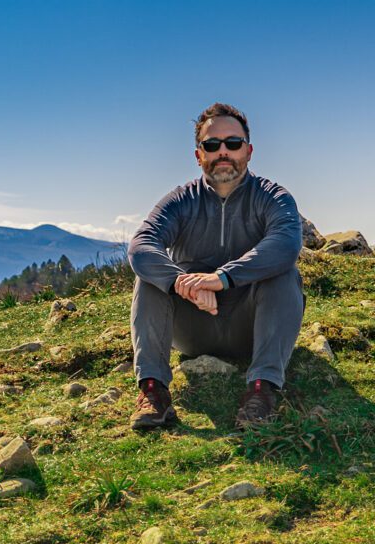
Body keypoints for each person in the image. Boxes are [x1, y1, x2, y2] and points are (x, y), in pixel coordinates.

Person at [126, 102, 304, 430]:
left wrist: (222, 278)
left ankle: (261, 392)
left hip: (251, 329)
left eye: (232, 143)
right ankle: (154, 392)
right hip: (192, 329)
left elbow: (286, 244)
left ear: (248, 151)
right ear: (199, 156)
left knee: (285, 274)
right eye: (212, 145)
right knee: (149, 279)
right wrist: (183, 283)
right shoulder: (179, 201)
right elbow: (140, 247)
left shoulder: (273, 197)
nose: (223, 152)